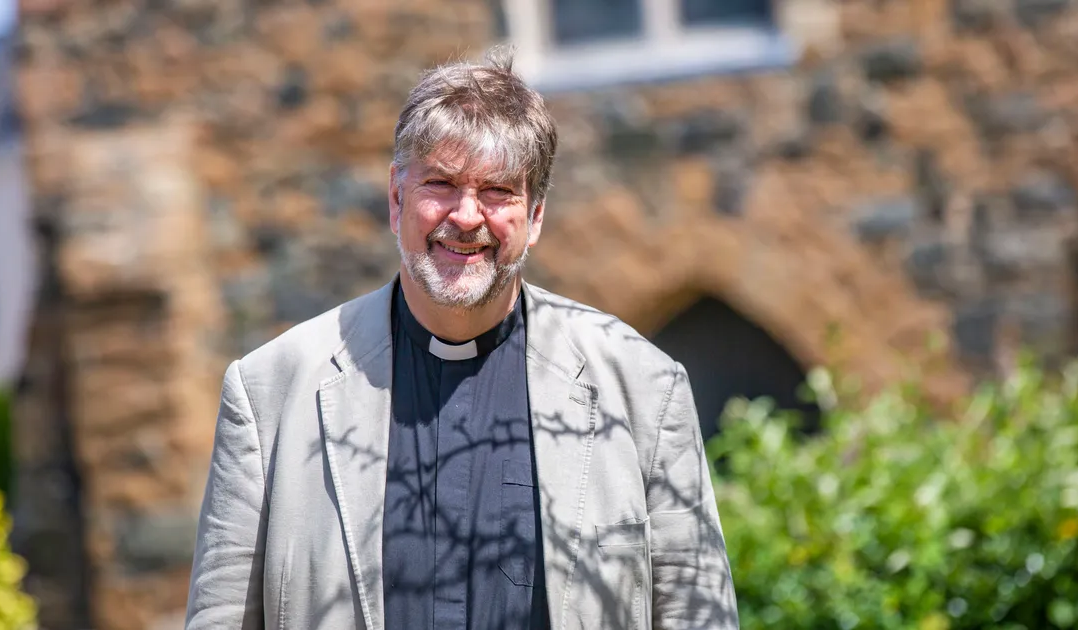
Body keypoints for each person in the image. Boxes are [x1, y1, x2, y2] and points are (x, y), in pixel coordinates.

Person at [185, 48, 739, 630]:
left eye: (498, 191)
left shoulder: (643, 387)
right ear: (397, 199)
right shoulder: (270, 392)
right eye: (441, 184)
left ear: (537, 215)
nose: (467, 216)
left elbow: (699, 616)